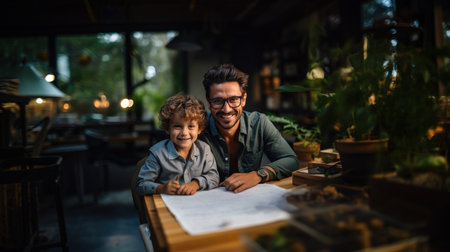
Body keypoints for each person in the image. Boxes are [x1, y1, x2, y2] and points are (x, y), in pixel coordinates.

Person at [199, 64, 299, 193]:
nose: (226, 109)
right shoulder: (196, 127)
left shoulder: (259, 123)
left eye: (234, 99)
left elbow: (291, 160)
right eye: (218, 101)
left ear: (244, 99)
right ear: (209, 102)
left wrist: (257, 175)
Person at [136, 94, 219, 195]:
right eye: (177, 126)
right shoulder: (158, 154)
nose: (184, 132)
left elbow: (214, 177)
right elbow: (141, 185)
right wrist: (161, 188)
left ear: (200, 129)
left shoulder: (204, 149)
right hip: (167, 205)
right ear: (167, 129)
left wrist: (196, 184)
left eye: (191, 126)